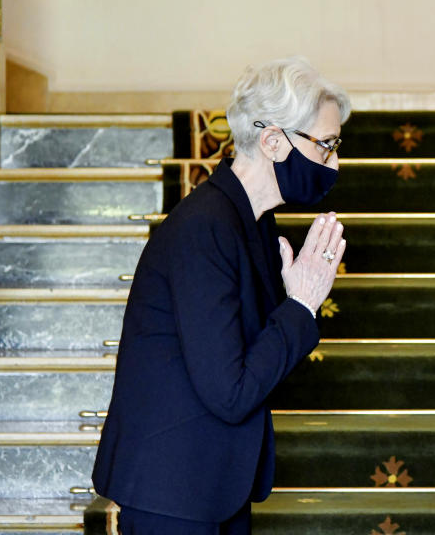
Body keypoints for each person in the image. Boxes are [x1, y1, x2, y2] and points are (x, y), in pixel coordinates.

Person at [92, 58, 351, 534]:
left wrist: (298, 305)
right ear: (274, 141)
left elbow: (259, 366)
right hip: (173, 490)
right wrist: (300, 305)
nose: (334, 164)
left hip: (210, 484)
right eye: (327, 146)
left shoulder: (249, 220)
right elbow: (230, 392)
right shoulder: (204, 227)